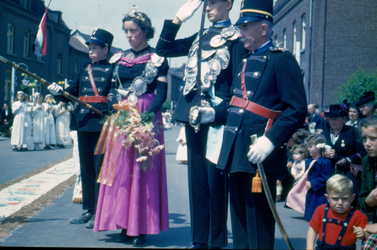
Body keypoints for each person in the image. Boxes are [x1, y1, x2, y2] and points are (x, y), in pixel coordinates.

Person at [190, 0, 307, 248]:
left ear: (263, 28)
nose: (240, 32)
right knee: (241, 225)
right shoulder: (243, 61)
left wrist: (271, 140)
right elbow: (234, 104)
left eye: (245, 27)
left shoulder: (281, 60)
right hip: (235, 152)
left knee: (259, 227)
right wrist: (211, 113)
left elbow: (296, 110)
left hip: (259, 154)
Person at [155, 0, 246, 248]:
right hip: (192, 115)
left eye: (214, 2)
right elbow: (163, 50)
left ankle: (216, 242)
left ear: (228, 4)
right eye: (206, 3)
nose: (208, 8)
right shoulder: (201, 35)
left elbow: (237, 86)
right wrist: (177, 20)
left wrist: (217, 112)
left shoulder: (237, 38)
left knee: (215, 182)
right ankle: (199, 241)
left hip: (217, 118)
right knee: (197, 181)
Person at [92, 7, 169, 246]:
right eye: (126, 31)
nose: (129, 35)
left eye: (133, 31)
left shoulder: (158, 58)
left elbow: (162, 93)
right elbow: (113, 90)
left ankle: (141, 227)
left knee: (143, 171)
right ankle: (124, 223)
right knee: (121, 170)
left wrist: (145, 118)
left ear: (145, 31)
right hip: (122, 116)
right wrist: (118, 107)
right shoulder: (118, 57)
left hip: (146, 116)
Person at [48, 28, 114, 228]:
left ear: (105, 49)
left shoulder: (113, 70)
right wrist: (58, 93)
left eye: (95, 48)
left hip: (101, 123)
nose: (91, 51)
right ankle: (89, 209)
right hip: (83, 122)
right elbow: (71, 92)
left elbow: (114, 97)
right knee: (86, 169)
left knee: (99, 168)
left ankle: (102, 210)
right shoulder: (84, 69)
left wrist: (107, 110)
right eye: (90, 48)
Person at [306, 174, 368, 250]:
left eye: (345, 198)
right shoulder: (321, 210)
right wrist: (309, 247)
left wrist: (364, 233)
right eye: (335, 198)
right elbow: (313, 230)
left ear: (352, 198)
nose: (340, 203)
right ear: (327, 198)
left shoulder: (358, 216)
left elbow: (368, 232)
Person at [322, 104, 366, 195]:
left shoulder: (353, 131)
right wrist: (324, 154)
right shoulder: (324, 134)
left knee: (350, 193)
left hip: (348, 171)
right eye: (331, 119)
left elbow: (363, 151)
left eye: (336, 119)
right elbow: (317, 152)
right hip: (329, 171)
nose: (333, 122)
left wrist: (348, 159)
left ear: (343, 119)